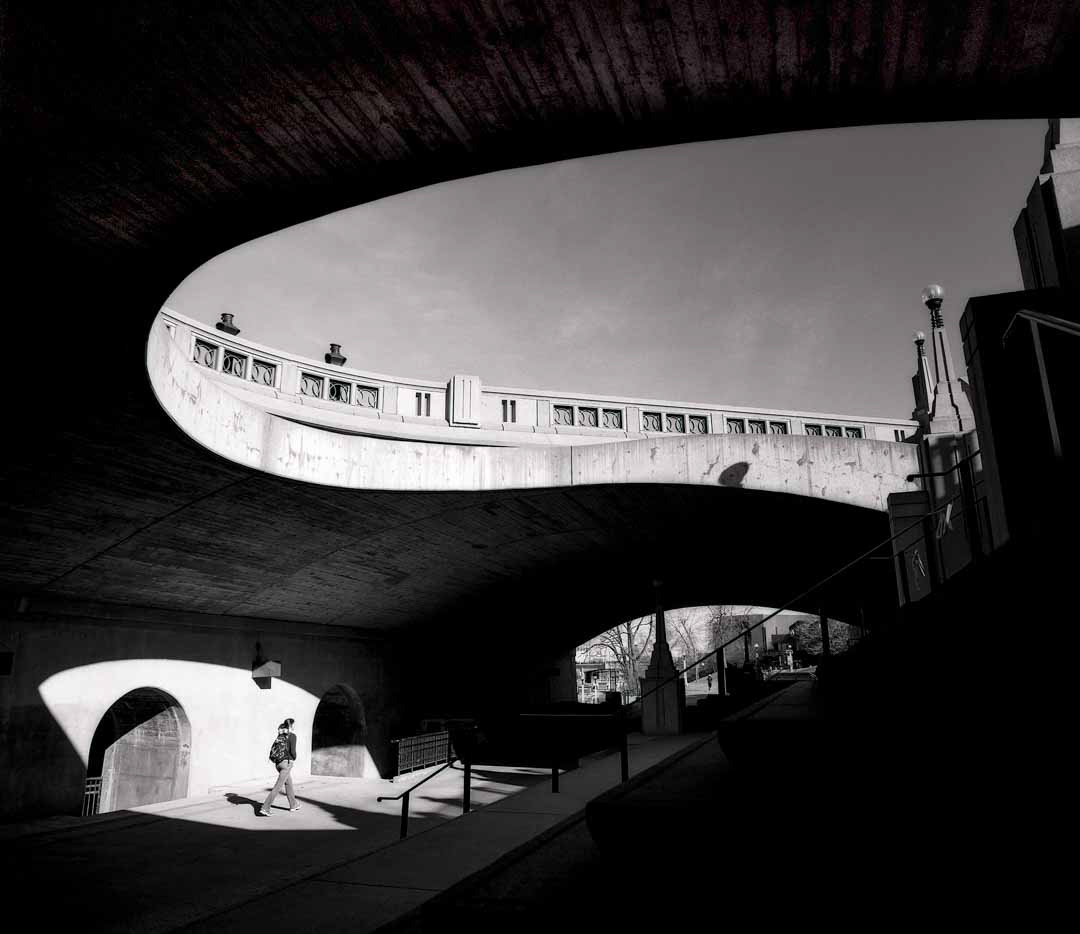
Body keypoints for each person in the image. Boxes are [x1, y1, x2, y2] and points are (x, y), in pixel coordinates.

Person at [259, 719, 300, 815]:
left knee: (288, 783)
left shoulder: (281, 735)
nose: (295, 726)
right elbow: (293, 751)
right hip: (287, 763)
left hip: (278, 763)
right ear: (291, 725)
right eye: (294, 724)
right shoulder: (292, 736)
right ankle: (265, 808)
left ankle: (293, 805)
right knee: (278, 787)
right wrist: (294, 758)